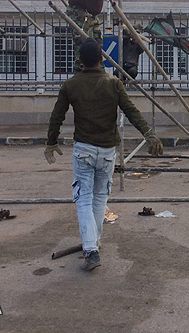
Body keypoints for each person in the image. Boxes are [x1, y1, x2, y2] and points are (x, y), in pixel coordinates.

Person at [44, 38, 163, 271]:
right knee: (100, 198)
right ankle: (94, 242)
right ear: (101, 60)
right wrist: (149, 134)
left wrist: (51, 142)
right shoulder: (114, 84)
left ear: (80, 61)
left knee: (84, 199)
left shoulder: (70, 85)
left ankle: (91, 250)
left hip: (84, 151)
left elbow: (56, 116)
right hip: (108, 152)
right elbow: (131, 111)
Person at [67, 0, 128, 72]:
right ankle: (81, 73)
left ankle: (97, 71)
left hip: (90, 15)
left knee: (96, 44)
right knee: (83, 45)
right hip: (80, 14)